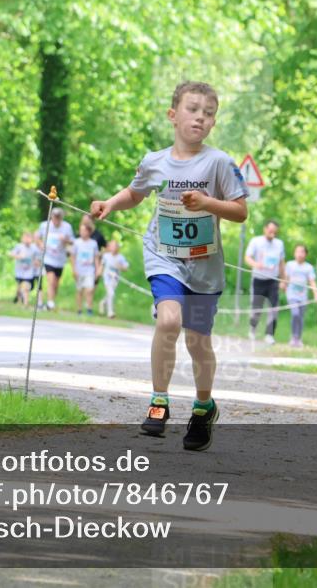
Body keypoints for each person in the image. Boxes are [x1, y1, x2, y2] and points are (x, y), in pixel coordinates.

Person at [90, 81, 248, 451]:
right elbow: (136, 192)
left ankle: (203, 407)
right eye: (193, 109)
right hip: (164, 256)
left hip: (205, 267)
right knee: (169, 321)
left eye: (209, 113)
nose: (201, 118)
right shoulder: (154, 161)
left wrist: (208, 203)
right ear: (173, 115)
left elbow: (240, 211)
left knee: (197, 342)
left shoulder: (220, 163)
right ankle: (159, 402)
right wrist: (111, 204)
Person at [245, 220, 286, 345]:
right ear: (265, 229)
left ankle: (269, 334)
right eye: (270, 230)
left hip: (273, 280)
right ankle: (252, 329)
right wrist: (256, 264)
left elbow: (281, 262)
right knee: (256, 307)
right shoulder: (256, 241)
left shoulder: (279, 244)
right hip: (258, 279)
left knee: (274, 307)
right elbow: (247, 257)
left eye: (274, 231)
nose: (272, 233)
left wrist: (283, 279)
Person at [36, 207, 74, 311]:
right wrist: (40, 244)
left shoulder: (67, 227)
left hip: (60, 259)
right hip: (48, 258)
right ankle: (50, 303)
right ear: (51, 216)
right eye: (55, 217)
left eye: (59, 218)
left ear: (62, 218)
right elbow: (36, 237)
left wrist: (65, 239)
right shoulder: (44, 225)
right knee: (50, 280)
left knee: (56, 284)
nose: (56, 220)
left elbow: (72, 242)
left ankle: (50, 301)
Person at [284, 244, 317, 348]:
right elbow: (285, 278)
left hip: (303, 297)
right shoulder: (290, 265)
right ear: (294, 253)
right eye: (297, 251)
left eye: (302, 252)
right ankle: (293, 336)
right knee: (295, 314)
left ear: (305, 254)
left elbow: (312, 282)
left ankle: (298, 339)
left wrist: (316, 295)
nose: (300, 254)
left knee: (300, 317)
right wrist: (283, 285)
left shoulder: (308, 267)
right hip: (292, 295)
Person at [72, 222, 101, 315]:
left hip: (90, 271)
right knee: (79, 290)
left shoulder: (93, 243)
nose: (82, 232)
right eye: (81, 230)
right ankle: (79, 309)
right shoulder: (77, 242)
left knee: (89, 289)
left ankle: (89, 308)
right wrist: (74, 269)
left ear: (88, 232)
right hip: (79, 270)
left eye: (84, 230)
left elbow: (96, 257)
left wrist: (97, 269)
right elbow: (73, 256)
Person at [100, 240, 129, 319]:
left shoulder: (120, 257)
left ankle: (103, 302)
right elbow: (102, 265)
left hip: (115, 279)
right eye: (111, 246)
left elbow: (125, 268)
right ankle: (110, 312)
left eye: (115, 246)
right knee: (111, 293)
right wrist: (99, 272)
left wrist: (120, 266)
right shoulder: (106, 256)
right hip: (107, 278)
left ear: (118, 248)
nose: (113, 248)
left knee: (110, 294)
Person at [10, 232, 40, 305]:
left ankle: (25, 303)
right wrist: (19, 256)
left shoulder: (34, 248)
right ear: (22, 239)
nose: (27, 240)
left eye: (29, 238)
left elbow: (38, 258)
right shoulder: (19, 246)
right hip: (19, 271)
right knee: (19, 287)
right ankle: (18, 297)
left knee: (26, 287)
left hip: (29, 271)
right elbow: (11, 254)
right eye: (25, 238)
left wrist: (36, 263)